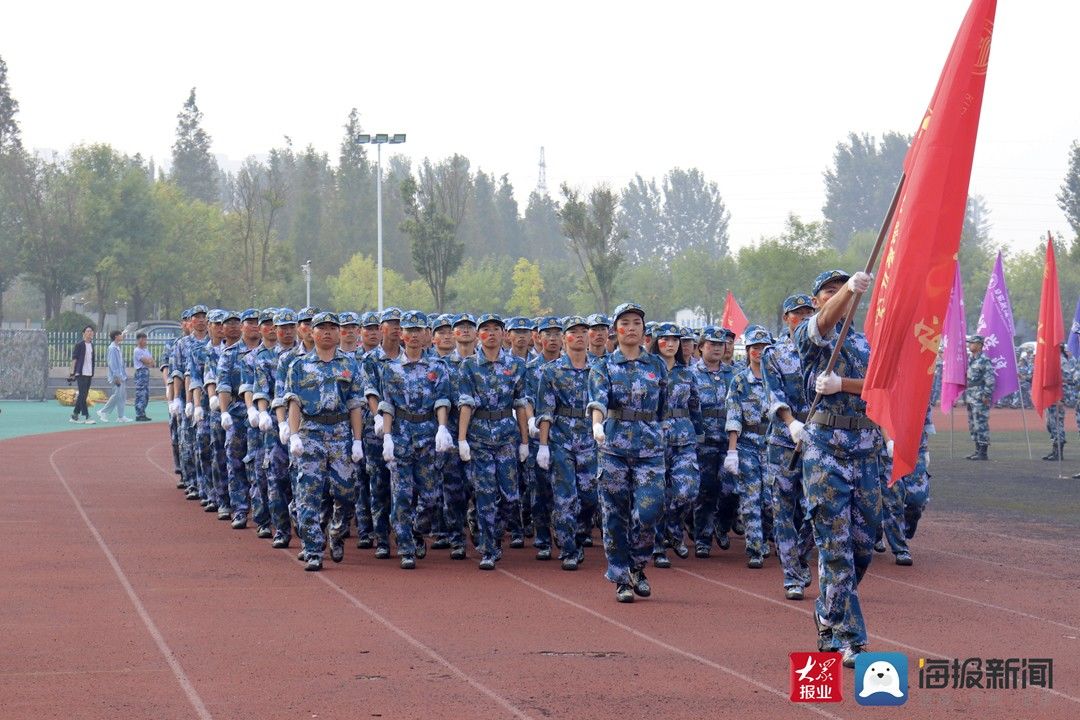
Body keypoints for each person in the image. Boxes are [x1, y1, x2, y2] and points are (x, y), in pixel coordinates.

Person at [794, 268, 882, 668]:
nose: (841, 298)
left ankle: (827, 610)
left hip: (865, 448)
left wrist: (844, 384)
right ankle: (851, 639)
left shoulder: (867, 343)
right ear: (817, 301)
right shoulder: (814, 338)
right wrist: (845, 291)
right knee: (836, 548)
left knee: (863, 546)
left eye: (844, 289)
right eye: (828, 292)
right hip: (824, 450)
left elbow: (883, 385)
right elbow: (827, 319)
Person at [587, 302, 667, 603]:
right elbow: (597, 401)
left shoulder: (656, 366)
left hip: (649, 448)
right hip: (613, 447)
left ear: (644, 330)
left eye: (637, 322)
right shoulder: (603, 366)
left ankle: (637, 563)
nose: (631, 328)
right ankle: (620, 576)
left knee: (650, 510)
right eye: (625, 322)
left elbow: (662, 406)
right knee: (614, 514)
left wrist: (661, 433)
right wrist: (598, 426)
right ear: (615, 330)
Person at [284, 312, 365, 571]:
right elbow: (294, 402)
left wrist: (357, 440)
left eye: (332, 328)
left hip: (340, 433)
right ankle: (313, 549)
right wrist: (294, 434)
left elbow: (355, 405)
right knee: (308, 494)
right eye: (322, 328)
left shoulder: (350, 365)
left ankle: (336, 531)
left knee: (346, 493)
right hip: (311, 433)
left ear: (340, 333)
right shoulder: (298, 366)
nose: (327, 332)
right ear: (312, 333)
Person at [378, 311, 454, 569]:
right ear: (401, 335)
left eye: (418, 330)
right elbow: (387, 405)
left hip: (427, 433)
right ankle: (406, 546)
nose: (412, 335)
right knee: (401, 494)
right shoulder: (390, 369)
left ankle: (416, 529)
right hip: (400, 433)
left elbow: (443, 400)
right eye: (408, 330)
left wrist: (442, 428)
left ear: (425, 336)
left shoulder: (437, 368)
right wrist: (387, 437)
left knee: (431, 496)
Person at [456, 313, 530, 570]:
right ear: (478, 335)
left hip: (507, 436)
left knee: (510, 496)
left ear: (504, 334)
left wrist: (524, 441)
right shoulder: (468, 366)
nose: (490, 334)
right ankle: (489, 547)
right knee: (485, 494)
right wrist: (462, 439)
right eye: (484, 329)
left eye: (495, 329)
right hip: (479, 436)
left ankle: (495, 534)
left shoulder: (516, 366)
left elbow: (520, 404)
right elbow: (465, 403)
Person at [760, 295, 816, 600]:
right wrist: (791, 422)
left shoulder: (826, 351)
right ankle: (792, 575)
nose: (805, 318)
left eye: (810, 313)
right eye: (798, 314)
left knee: (817, 509)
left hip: (820, 439)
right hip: (785, 439)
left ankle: (800, 554)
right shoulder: (775, 354)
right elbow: (774, 394)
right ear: (786, 318)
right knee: (783, 509)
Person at [535, 316, 599, 571]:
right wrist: (542, 445)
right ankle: (568, 548)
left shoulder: (599, 368)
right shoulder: (551, 371)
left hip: (591, 440)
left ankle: (580, 534)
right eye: (574, 332)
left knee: (590, 497)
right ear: (564, 339)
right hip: (561, 439)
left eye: (585, 331)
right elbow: (546, 411)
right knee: (565, 497)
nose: (581, 336)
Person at [649, 322, 702, 569]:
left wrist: (699, 433)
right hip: (655, 438)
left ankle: (673, 528)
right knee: (658, 493)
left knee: (687, 490)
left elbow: (694, 405)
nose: (670, 344)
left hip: (684, 437)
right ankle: (659, 546)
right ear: (656, 342)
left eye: (675, 340)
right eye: (665, 339)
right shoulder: (648, 369)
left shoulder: (687, 372)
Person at [725, 325, 773, 569]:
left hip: (774, 446)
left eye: (764, 347)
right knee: (751, 498)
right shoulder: (739, 381)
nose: (759, 352)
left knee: (770, 500)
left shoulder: (777, 380)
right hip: (747, 446)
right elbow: (734, 416)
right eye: (754, 347)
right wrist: (732, 451)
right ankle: (755, 547)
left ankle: (767, 538)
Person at [692, 326, 739, 556]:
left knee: (731, 490)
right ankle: (703, 538)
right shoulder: (691, 374)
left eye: (721, 344)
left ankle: (722, 524)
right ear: (701, 347)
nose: (718, 348)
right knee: (706, 491)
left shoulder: (735, 374)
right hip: (703, 443)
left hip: (729, 442)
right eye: (712, 344)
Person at [964, 334, 994, 461]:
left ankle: (983, 451)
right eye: (969, 342)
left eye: (972, 343)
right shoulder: (971, 359)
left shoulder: (984, 360)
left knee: (981, 423)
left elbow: (990, 380)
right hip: (971, 396)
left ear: (980, 345)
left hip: (980, 396)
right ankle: (977, 449)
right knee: (972, 424)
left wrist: (986, 395)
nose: (970, 344)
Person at [98, 330, 132, 422]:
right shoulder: (112, 348)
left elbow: (120, 363)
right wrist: (116, 377)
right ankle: (103, 411)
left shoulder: (117, 347)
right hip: (116, 376)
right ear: (116, 336)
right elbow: (112, 364)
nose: (122, 336)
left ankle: (121, 416)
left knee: (122, 396)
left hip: (121, 375)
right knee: (117, 395)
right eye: (120, 335)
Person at [70, 325, 96, 424]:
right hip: (80, 373)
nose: (90, 333)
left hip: (89, 373)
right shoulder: (79, 345)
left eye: (91, 331)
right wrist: (72, 372)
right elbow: (74, 359)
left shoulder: (92, 345)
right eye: (88, 331)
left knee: (83, 395)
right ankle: (86, 416)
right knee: (82, 394)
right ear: (84, 333)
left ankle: (74, 415)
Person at [133, 332, 154, 421]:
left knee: (145, 394)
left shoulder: (146, 350)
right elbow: (146, 361)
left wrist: (149, 361)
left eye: (145, 339)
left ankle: (143, 412)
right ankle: (139, 413)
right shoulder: (137, 350)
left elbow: (152, 363)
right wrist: (149, 361)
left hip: (146, 372)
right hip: (140, 372)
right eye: (144, 339)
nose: (145, 341)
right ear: (139, 340)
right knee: (140, 393)